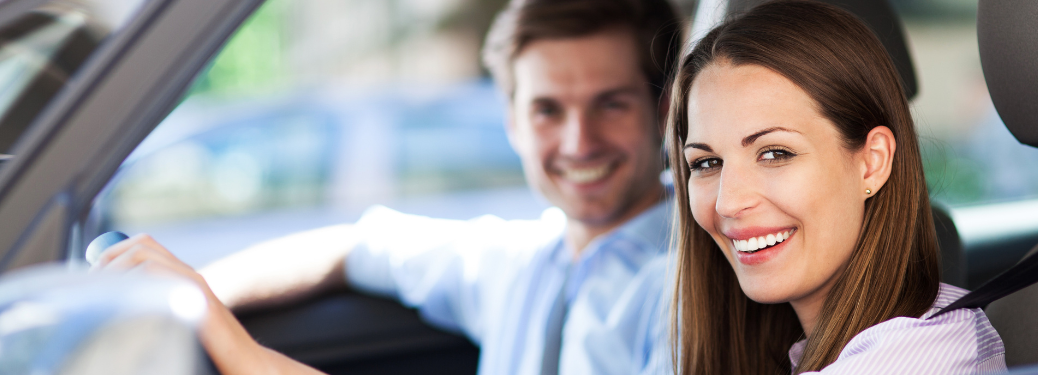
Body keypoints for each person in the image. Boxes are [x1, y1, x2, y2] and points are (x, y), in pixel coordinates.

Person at [94, 0, 685, 374]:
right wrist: (187, 299)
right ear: (512, 122)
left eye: (611, 104)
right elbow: (352, 247)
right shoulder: (517, 260)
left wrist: (232, 345)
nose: (580, 142)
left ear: (662, 112)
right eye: (547, 110)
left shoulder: (692, 287)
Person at [666, 1, 1005, 374]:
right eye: (707, 163)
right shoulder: (801, 347)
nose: (728, 202)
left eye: (775, 153)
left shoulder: (923, 352)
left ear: (872, 162)